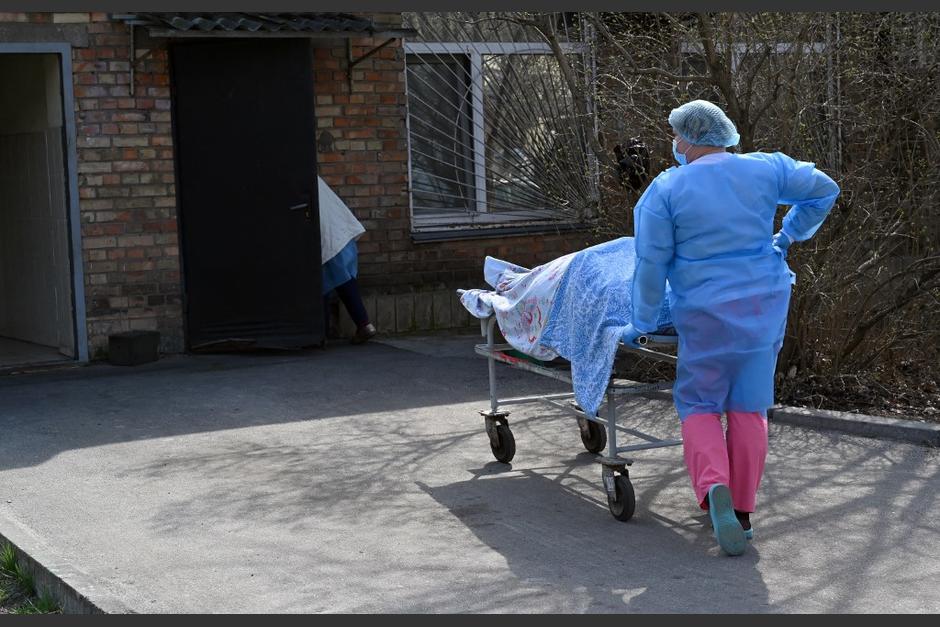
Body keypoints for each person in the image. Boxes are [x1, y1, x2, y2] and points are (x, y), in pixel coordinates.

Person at [620, 100, 840, 556]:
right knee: (749, 405)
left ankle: (713, 486)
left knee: (699, 402)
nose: (674, 144)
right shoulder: (767, 170)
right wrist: (789, 234)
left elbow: (650, 262)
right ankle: (741, 509)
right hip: (763, 304)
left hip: (703, 310)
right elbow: (824, 189)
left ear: (687, 140)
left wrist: (641, 321)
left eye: (676, 136)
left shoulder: (666, 190)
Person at [318, 176, 376, 344]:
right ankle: (364, 324)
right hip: (338, 229)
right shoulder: (309, 173)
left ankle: (322, 333)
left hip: (326, 234)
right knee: (343, 279)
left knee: (323, 283)